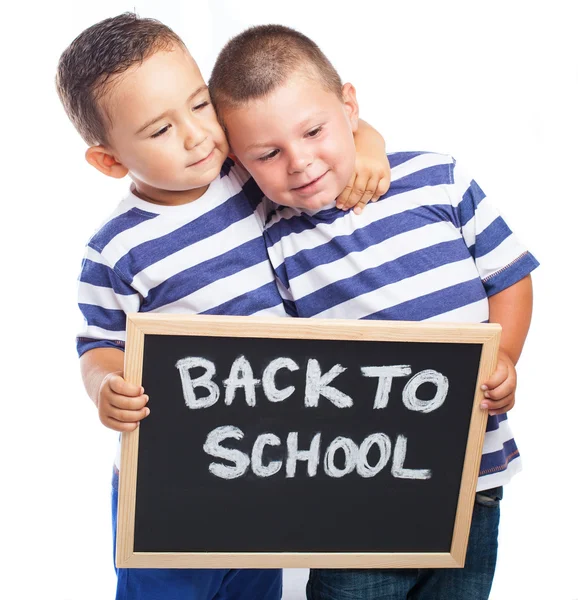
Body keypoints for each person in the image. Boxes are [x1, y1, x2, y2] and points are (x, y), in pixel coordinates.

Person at [56, 13, 390, 600]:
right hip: (170, 478)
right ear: (110, 160)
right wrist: (106, 384)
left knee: (255, 590)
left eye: (201, 105)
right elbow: (98, 344)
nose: (197, 136)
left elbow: (314, 135)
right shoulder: (116, 249)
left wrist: (368, 141)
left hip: (261, 464)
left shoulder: (248, 175)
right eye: (160, 130)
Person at [209, 24, 539, 600]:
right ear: (241, 161)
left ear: (350, 105)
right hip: (355, 496)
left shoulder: (439, 179)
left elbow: (509, 276)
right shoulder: (268, 234)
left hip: (470, 477)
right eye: (268, 153)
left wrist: (505, 354)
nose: (301, 162)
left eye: (315, 131)